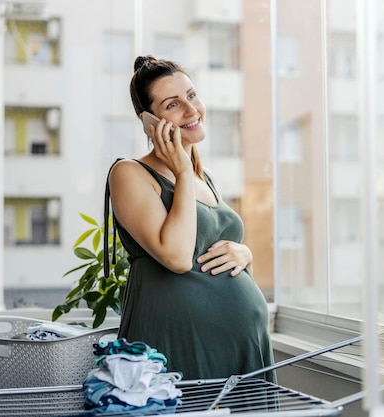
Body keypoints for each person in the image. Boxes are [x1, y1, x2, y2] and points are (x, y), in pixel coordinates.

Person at [104, 55, 275, 382]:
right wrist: (181, 168)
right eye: (172, 105)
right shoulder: (130, 173)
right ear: (149, 120)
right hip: (177, 346)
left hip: (241, 348)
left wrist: (246, 254)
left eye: (192, 96)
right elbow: (178, 256)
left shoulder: (204, 177)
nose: (191, 110)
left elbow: (213, 251)